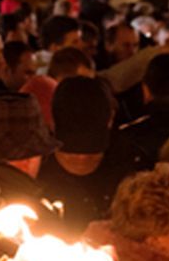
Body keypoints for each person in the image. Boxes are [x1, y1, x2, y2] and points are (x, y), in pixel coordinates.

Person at [36, 76, 125, 236]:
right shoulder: (34, 169)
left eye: (92, 152)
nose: (81, 158)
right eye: (69, 152)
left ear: (110, 120)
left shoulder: (130, 168)